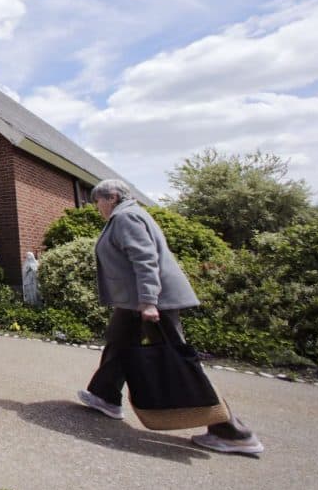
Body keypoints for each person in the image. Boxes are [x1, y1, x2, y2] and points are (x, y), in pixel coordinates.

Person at [76, 179, 263, 455]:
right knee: (117, 341)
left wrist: (149, 301)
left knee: (180, 360)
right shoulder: (129, 214)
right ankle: (105, 396)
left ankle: (232, 431)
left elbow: (145, 259)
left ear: (112, 197)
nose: (97, 208)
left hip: (152, 302)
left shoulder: (126, 217)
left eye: (98, 202)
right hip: (133, 303)